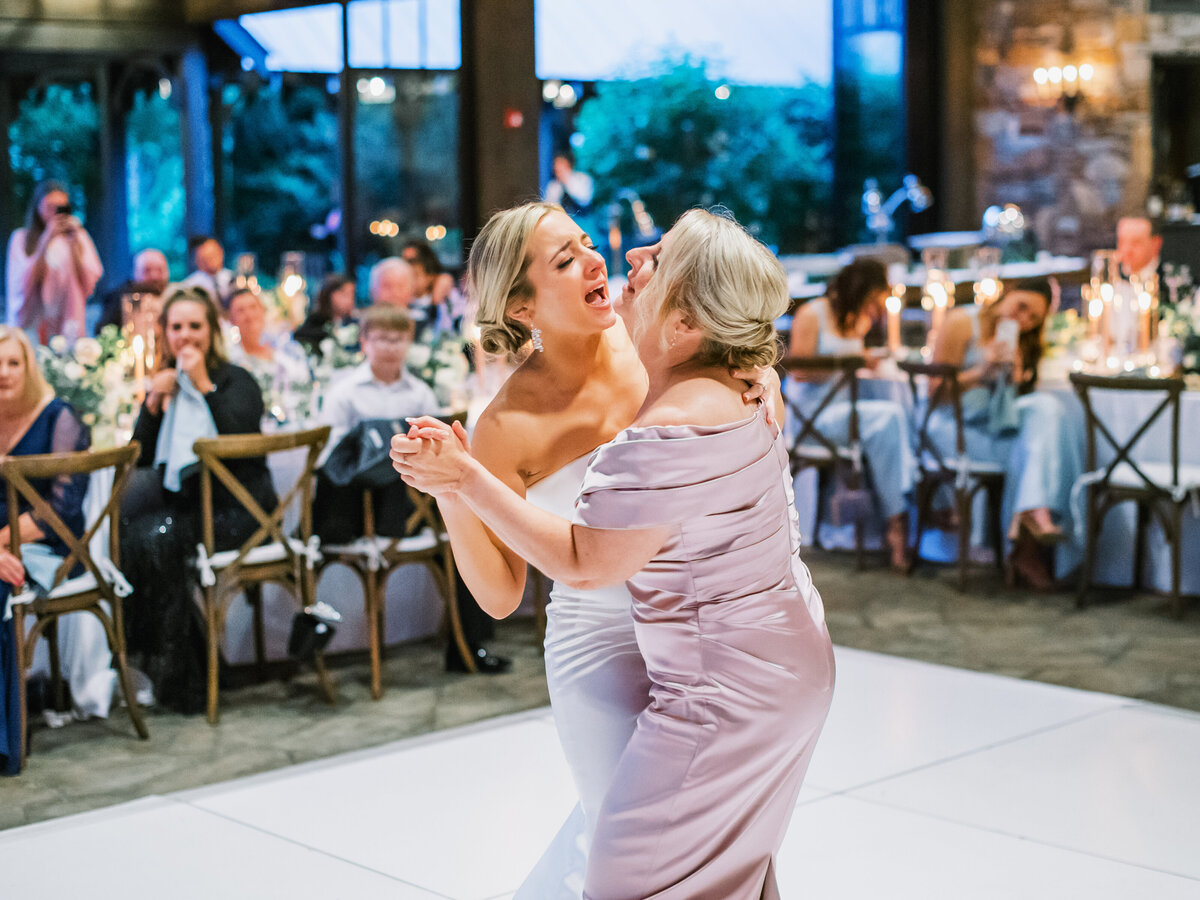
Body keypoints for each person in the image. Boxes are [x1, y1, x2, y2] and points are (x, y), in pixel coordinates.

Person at [395, 208, 834, 899]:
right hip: (601, 643)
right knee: (617, 832)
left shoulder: (655, 344)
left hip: (708, 639)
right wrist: (455, 492)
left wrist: (756, 371)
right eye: (565, 261)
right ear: (520, 305)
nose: (599, 262)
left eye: (587, 244)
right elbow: (501, 594)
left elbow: (725, 343)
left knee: (709, 840)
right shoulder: (507, 423)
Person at [319, 305, 508, 673]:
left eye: (398, 339)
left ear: (408, 343)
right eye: (381, 339)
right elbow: (333, 463)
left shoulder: (420, 394)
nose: (390, 347)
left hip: (418, 509)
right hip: (365, 511)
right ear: (364, 343)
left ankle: (468, 646)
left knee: (469, 535)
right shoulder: (345, 394)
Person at [120, 286, 276, 713]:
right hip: (189, 510)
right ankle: (188, 665)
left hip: (238, 512)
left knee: (156, 540)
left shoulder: (235, 379)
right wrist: (154, 400)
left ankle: (184, 676)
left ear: (211, 330)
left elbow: (243, 440)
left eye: (194, 326)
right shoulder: (166, 385)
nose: (185, 335)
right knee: (133, 539)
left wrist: (204, 385)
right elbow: (143, 459)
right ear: (165, 332)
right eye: (176, 327)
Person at [929, 277, 1083, 590]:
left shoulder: (1021, 341)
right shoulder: (961, 322)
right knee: (1033, 446)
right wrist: (980, 372)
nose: (1023, 320)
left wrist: (1014, 377)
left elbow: (1011, 408)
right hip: (953, 429)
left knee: (1045, 408)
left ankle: (1032, 513)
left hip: (996, 427)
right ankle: (1029, 542)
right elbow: (934, 392)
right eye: (1022, 308)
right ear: (1008, 294)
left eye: (1033, 319)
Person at [0, 327, 107, 775]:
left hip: (47, 547)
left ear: (30, 368)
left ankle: (5, 741)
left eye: (12, 363)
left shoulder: (59, 418)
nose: (3, 374)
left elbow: (57, 513)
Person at [788, 258, 916, 569]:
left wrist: (865, 361)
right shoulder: (812, 313)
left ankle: (897, 516)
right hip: (813, 418)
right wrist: (849, 362)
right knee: (890, 418)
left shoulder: (857, 320)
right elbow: (799, 371)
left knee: (895, 417)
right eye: (874, 300)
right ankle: (898, 521)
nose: (876, 309)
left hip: (845, 410)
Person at [5, 180, 103, 344]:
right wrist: (46, 240)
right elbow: (20, 283)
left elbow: (91, 277)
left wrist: (74, 244)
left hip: (68, 322)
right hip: (35, 325)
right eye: (50, 206)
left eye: (61, 207)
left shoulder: (78, 236)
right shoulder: (21, 238)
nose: (56, 212)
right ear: (38, 206)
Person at [225, 288, 309, 387]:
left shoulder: (287, 347)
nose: (249, 315)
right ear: (232, 319)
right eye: (241, 310)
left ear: (263, 310)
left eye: (253, 307)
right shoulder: (233, 360)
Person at [95, 248, 171, 334]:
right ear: (135, 273)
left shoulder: (175, 296)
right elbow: (102, 332)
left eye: (159, 270)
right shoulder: (119, 299)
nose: (154, 276)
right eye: (147, 271)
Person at [403, 240, 464, 331]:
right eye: (404, 260)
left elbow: (435, 304)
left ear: (424, 260)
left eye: (412, 260)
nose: (408, 265)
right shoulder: (405, 283)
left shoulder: (442, 279)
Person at [294, 273, 357, 353]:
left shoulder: (350, 322)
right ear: (333, 296)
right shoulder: (316, 322)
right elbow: (299, 337)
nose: (351, 301)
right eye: (347, 295)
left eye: (352, 295)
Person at [179, 235, 234, 308]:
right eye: (208, 255)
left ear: (222, 252)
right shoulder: (189, 287)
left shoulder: (234, 278)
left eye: (215, 253)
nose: (213, 259)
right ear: (197, 259)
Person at [1115, 216, 1162, 286]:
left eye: (1135, 243)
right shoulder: (1112, 276)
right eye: (1122, 242)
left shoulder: (1170, 281)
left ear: (1156, 244)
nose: (1127, 250)